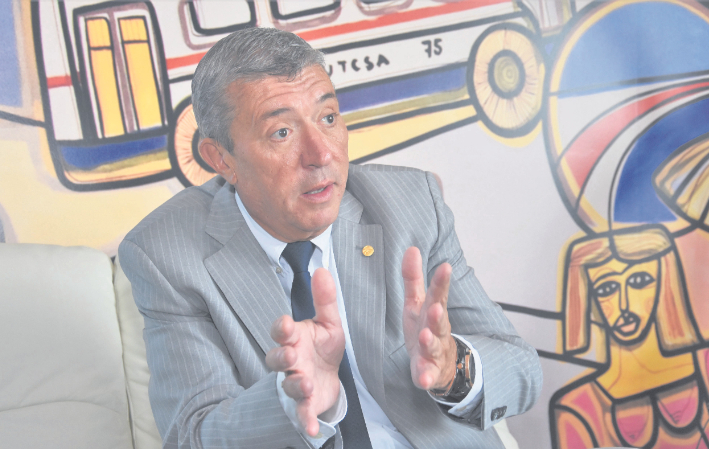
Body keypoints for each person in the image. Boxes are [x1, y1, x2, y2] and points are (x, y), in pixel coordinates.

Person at [119, 27, 541, 449]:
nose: (321, 154)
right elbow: (193, 434)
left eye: (328, 118)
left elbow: (521, 370)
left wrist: (453, 370)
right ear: (221, 159)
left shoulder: (410, 204)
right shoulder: (167, 254)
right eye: (281, 132)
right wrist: (292, 401)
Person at [550, 225, 709, 449]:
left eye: (639, 281)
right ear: (586, 298)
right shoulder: (575, 407)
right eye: (607, 288)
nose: (624, 305)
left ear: (664, 281)